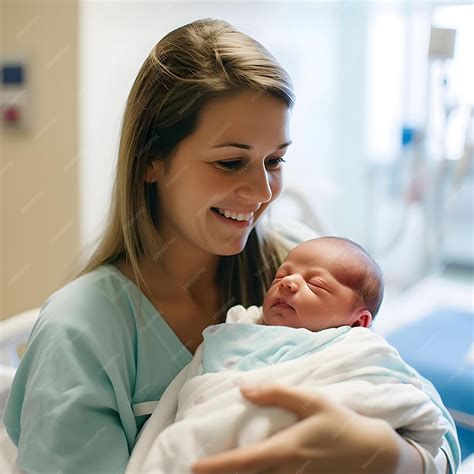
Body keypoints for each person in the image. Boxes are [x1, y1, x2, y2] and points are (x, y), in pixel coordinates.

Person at [2, 18, 459, 474]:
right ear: (152, 162)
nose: (262, 192)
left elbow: (423, 420)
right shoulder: (80, 334)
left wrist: (392, 457)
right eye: (230, 162)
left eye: (274, 160)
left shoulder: (299, 262)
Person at [125, 236, 456, 473]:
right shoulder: (237, 331)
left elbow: (424, 417)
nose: (288, 283)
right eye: (281, 276)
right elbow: (197, 396)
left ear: (359, 321)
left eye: (317, 285)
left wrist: (395, 457)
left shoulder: (357, 349)